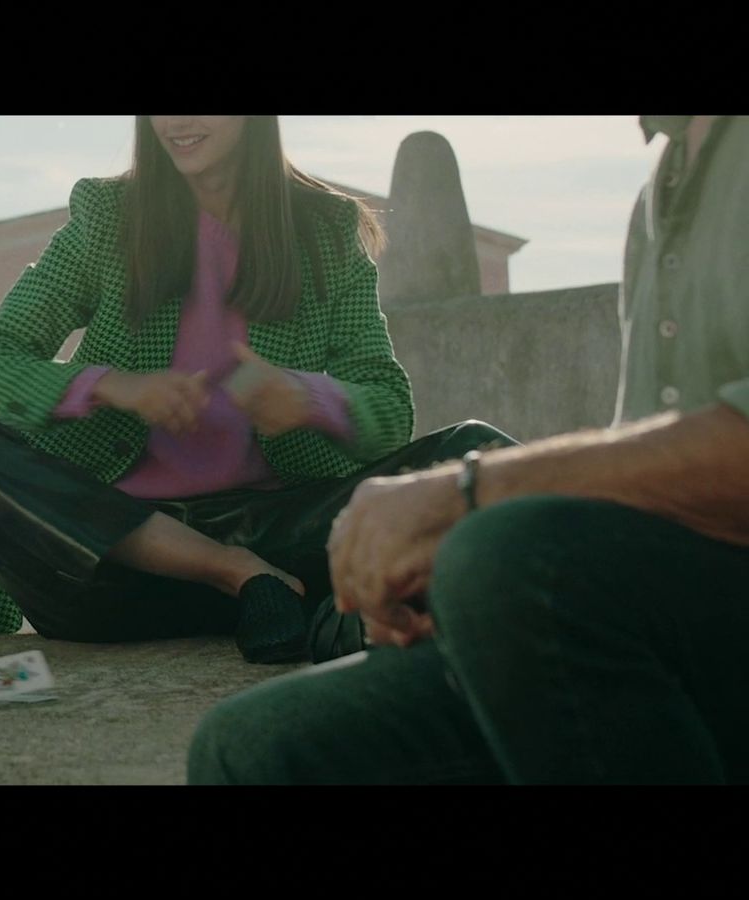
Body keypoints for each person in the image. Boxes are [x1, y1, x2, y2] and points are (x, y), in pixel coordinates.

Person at [189, 115, 749, 784]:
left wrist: (463, 494)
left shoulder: (330, 232)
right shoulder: (659, 184)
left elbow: (387, 410)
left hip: (297, 517)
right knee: (251, 746)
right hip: (160, 542)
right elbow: (647, 486)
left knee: (505, 548)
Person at [0, 115, 510, 663]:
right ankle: (238, 576)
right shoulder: (108, 219)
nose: (177, 121)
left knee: (478, 453)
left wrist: (308, 399)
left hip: (283, 537)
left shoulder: (327, 233)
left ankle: (294, 604)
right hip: (118, 564)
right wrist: (111, 386)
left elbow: (390, 406)